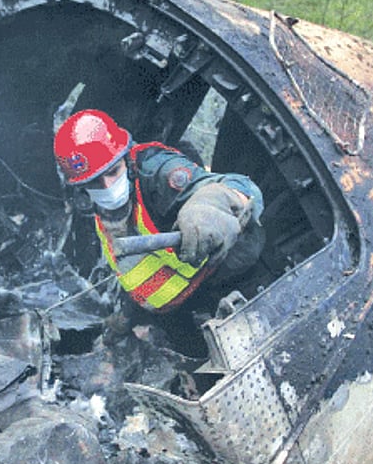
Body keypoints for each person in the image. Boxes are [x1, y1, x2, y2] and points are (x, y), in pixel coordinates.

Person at [53, 109, 264, 315]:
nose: (108, 186)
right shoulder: (97, 208)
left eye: (113, 172)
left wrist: (212, 204)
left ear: (125, 158)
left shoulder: (158, 171)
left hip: (236, 280)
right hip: (182, 304)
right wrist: (127, 318)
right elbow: (139, 264)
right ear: (81, 187)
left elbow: (244, 187)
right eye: (95, 183)